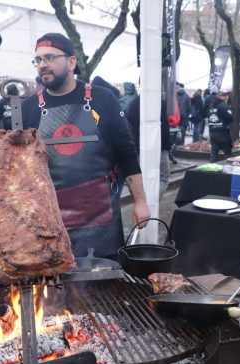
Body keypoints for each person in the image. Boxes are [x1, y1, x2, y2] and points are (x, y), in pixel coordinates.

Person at [22, 32, 150, 260]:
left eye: (50, 57)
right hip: (51, 214)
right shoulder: (28, 107)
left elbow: (126, 155)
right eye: (38, 60)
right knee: (55, 285)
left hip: (99, 215)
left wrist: (140, 201)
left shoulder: (103, 99)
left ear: (71, 62)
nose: (43, 65)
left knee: (104, 283)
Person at [126, 94, 171, 199]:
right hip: (159, 147)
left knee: (142, 179)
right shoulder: (159, 101)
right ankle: (150, 205)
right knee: (163, 178)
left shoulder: (132, 103)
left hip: (139, 147)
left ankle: (143, 204)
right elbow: (164, 126)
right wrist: (166, 146)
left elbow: (128, 126)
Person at [206, 90, 233, 162]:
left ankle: (211, 169)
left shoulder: (211, 105)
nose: (226, 97)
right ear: (221, 96)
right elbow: (230, 117)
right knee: (227, 152)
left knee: (214, 153)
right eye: (225, 96)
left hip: (212, 131)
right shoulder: (223, 105)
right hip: (222, 132)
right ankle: (226, 169)